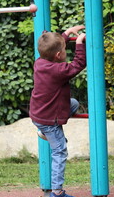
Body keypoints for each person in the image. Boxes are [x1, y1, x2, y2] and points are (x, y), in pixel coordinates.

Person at [29, 25, 86, 197]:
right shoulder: (57, 70)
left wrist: (67, 34)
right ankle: (57, 192)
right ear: (59, 56)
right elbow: (78, 65)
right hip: (49, 119)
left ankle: (43, 131)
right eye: (63, 48)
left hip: (40, 112)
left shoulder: (40, 62)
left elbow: (53, 48)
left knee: (73, 103)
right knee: (60, 151)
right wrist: (80, 44)